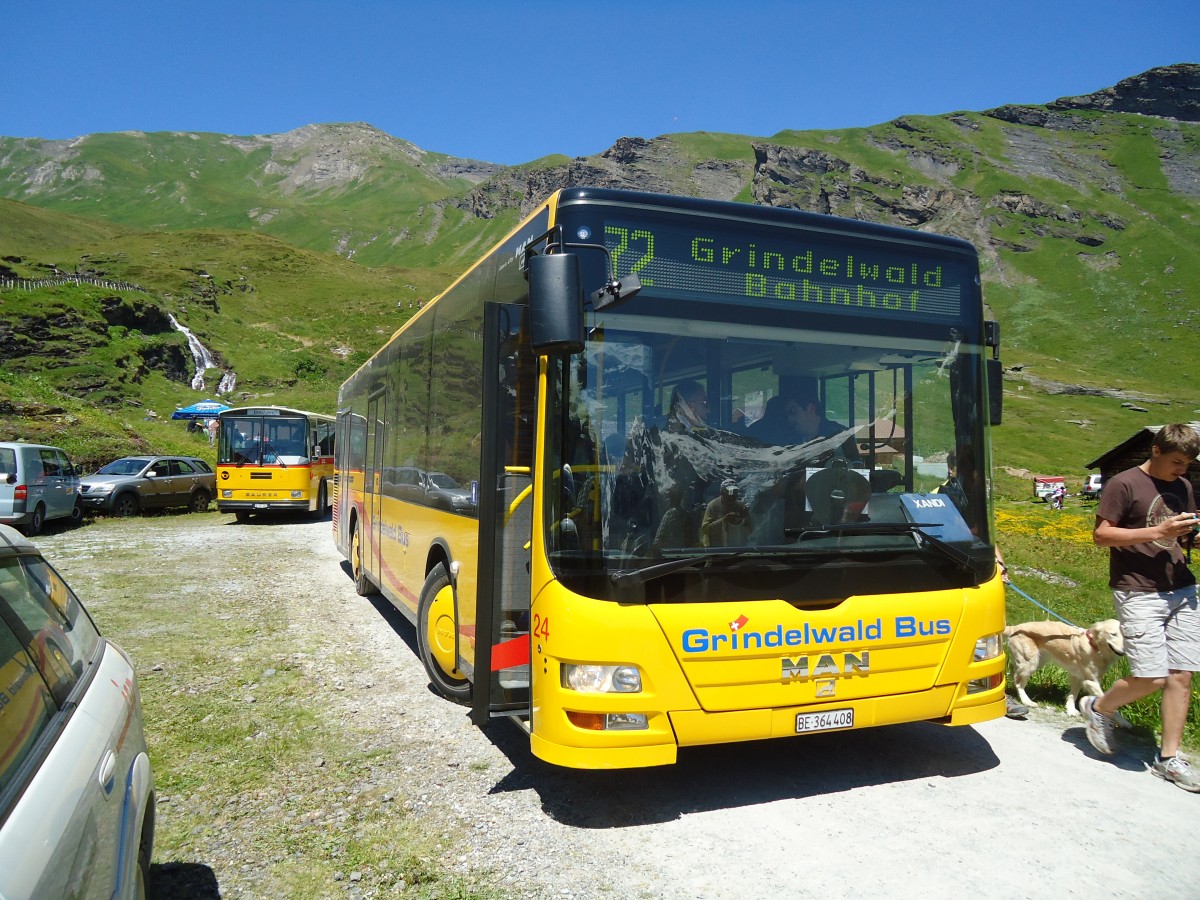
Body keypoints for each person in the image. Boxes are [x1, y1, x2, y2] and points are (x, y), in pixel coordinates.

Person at [1081, 423, 1200, 792]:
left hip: (1181, 586)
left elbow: (1183, 534)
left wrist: (1192, 536)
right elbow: (1102, 535)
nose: (1183, 470)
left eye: (1189, 464)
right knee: (1151, 677)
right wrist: (1157, 533)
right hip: (1137, 590)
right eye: (1177, 462)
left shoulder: (1182, 487)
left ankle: (1169, 759)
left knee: (1181, 675)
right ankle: (1099, 708)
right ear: (1156, 451)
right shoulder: (1123, 483)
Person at [700, 479, 754, 547]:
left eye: (735, 492)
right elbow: (705, 529)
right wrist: (723, 520)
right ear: (722, 492)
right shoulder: (712, 506)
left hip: (736, 548)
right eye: (730, 492)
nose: (732, 496)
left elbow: (750, 529)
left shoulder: (740, 506)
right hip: (714, 548)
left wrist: (739, 519)